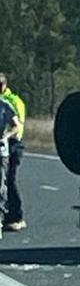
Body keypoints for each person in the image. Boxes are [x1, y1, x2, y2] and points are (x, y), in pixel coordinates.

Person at [0, 74, 25, 232]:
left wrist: (6, 136)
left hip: (12, 145)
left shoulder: (13, 101)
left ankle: (16, 216)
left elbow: (18, 125)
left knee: (9, 180)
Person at [0, 91, 18, 240]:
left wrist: (6, 136)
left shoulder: (5, 106)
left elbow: (16, 125)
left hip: (1, 151)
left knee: (1, 185)